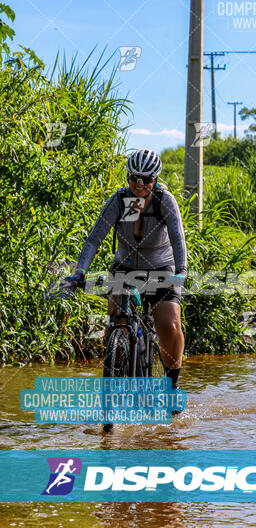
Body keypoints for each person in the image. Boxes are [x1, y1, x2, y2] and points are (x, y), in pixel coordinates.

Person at [66, 149, 187, 389]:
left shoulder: (164, 201)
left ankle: (172, 384)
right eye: (134, 178)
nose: (139, 185)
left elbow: (177, 239)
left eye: (146, 180)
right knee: (116, 323)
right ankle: (117, 363)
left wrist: (180, 273)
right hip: (125, 267)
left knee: (169, 325)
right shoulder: (122, 201)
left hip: (162, 268)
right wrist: (79, 272)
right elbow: (94, 240)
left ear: (156, 180)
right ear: (128, 177)